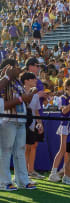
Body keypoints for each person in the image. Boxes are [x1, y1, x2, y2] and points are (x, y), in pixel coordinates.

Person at [0, 59, 36, 191]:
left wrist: (29, 97)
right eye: (16, 67)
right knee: (6, 151)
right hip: (7, 120)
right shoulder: (4, 81)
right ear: (8, 68)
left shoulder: (18, 81)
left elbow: (22, 101)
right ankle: (4, 182)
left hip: (20, 120)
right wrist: (22, 99)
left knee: (20, 150)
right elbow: (2, 105)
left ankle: (23, 180)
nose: (19, 69)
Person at [49, 78, 70, 182]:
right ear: (67, 87)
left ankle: (68, 173)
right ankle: (53, 173)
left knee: (69, 151)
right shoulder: (63, 97)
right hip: (65, 126)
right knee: (62, 150)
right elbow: (64, 111)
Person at [21, 72, 44, 182]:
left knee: (31, 146)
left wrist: (40, 124)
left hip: (32, 124)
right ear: (26, 80)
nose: (36, 81)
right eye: (33, 79)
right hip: (21, 124)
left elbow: (36, 111)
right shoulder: (19, 92)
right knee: (24, 148)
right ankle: (23, 172)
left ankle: (30, 171)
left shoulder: (35, 95)